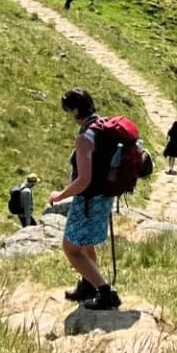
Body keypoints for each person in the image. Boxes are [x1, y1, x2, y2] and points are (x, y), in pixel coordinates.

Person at [49, 88, 120, 311]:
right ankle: (88, 285)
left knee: (71, 249)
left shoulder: (84, 138)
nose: (68, 115)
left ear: (76, 110)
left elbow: (83, 180)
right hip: (105, 196)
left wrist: (59, 196)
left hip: (88, 200)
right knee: (86, 242)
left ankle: (105, 292)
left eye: (68, 111)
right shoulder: (104, 126)